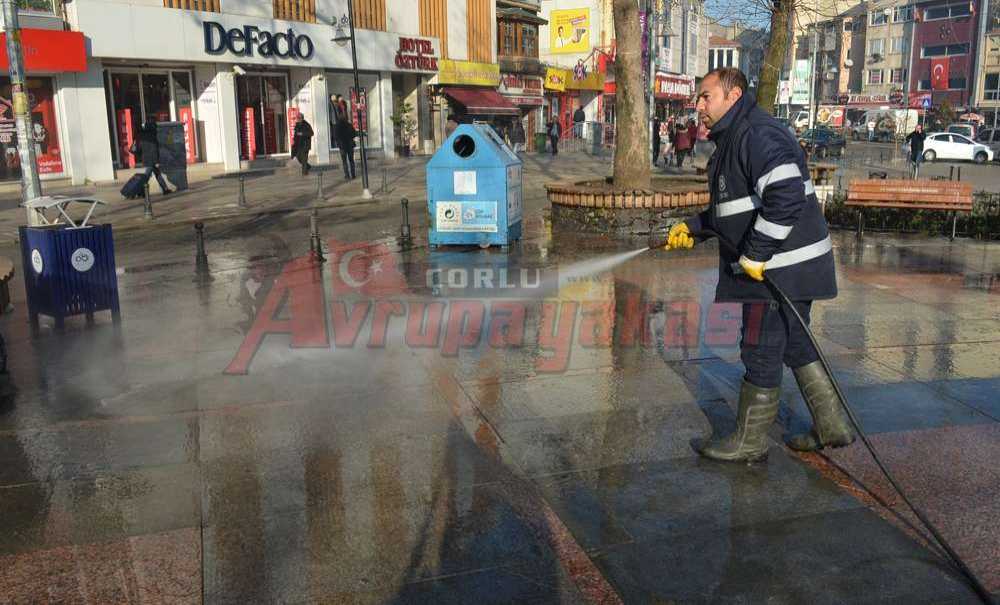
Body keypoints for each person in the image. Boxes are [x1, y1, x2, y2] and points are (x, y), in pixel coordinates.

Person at [664, 67, 853, 463]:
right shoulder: (737, 136)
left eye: (706, 96)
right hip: (788, 266)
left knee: (760, 346)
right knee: (796, 341)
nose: (698, 105)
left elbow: (785, 194)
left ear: (732, 96)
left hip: (779, 268)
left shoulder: (755, 134)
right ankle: (831, 423)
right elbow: (735, 209)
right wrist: (694, 227)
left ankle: (750, 441)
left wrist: (756, 253)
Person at [137, 118, 173, 195]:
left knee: (157, 174)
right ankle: (140, 190)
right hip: (152, 160)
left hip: (146, 158)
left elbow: (141, 148)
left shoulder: (143, 135)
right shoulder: (152, 136)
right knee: (147, 176)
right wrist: (156, 161)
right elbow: (154, 149)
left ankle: (165, 189)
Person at [334, 115, 357, 180]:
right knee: (351, 160)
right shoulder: (349, 125)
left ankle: (347, 175)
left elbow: (336, 136)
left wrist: (339, 142)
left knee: (344, 161)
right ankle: (353, 175)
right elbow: (354, 134)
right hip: (350, 145)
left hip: (342, 146)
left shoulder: (337, 126)